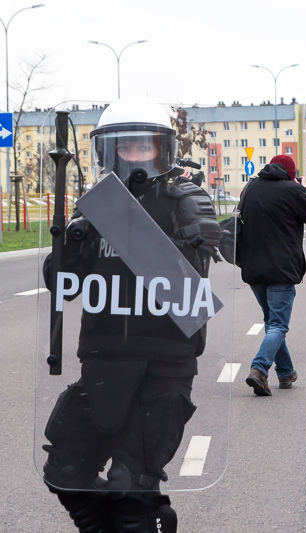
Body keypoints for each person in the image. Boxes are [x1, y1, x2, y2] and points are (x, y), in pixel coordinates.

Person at [41, 101, 223, 532]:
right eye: (126, 148)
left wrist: (198, 233)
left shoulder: (184, 201)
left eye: (146, 146)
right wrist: (65, 244)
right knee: (66, 468)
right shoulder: (97, 209)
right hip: (104, 359)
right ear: (109, 152)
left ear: (162, 150)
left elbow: (203, 262)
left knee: (131, 485)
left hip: (164, 363)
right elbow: (61, 282)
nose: (136, 155)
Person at [240, 155, 306, 395]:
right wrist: (304, 189)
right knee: (278, 325)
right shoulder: (292, 190)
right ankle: (259, 369)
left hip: (253, 269)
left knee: (272, 323)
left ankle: (286, 373)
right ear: (291, 173)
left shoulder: (251, 187)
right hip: (281, 270)